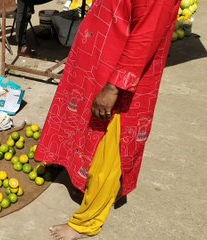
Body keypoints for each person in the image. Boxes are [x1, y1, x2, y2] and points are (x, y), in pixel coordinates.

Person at [34, 0, 181, 239]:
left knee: (110, 146)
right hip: (97, 65)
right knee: (85, 128)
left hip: (117, 79)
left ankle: (86, 223)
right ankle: (78, 174)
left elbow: (146, 36)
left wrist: (114, 87)